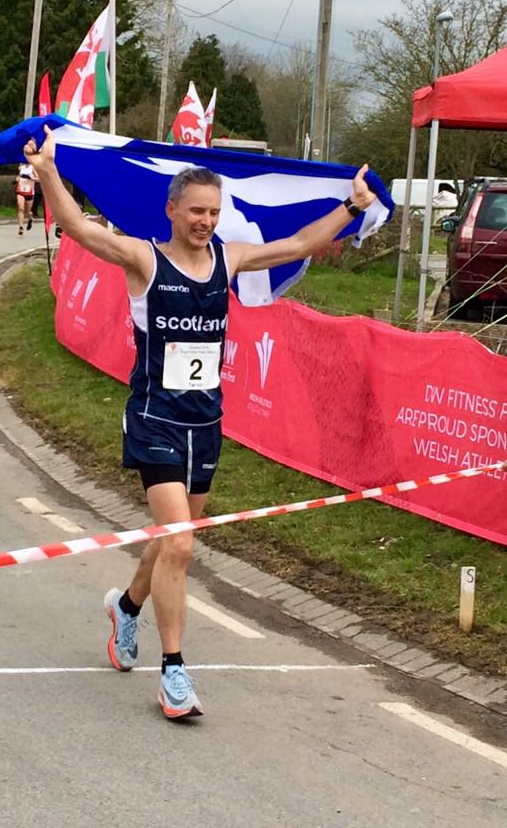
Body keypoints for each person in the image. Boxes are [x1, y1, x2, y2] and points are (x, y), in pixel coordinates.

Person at [25, 124, 376, 720]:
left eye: (213, 212)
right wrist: (49, 174)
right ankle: (174, 673)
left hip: (205, 423)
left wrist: (352, 206)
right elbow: (81, 229)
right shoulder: (144, 258)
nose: (205, 221)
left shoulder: (228, 260)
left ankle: (126, 608)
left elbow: (296, 245)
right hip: (155, 419)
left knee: (173, 540)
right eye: (196, 211)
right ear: (172, 210)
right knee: (181, 543)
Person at [15, 161, 37, 235]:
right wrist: (16, 180)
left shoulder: (33, 167)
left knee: (28, 211)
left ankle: (30, 218)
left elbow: (39, 179)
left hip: (29, 191)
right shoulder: (21, 167)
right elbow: (19, 176)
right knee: (21, 208)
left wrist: (30, 177)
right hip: (20, 190)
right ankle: (20, 227)